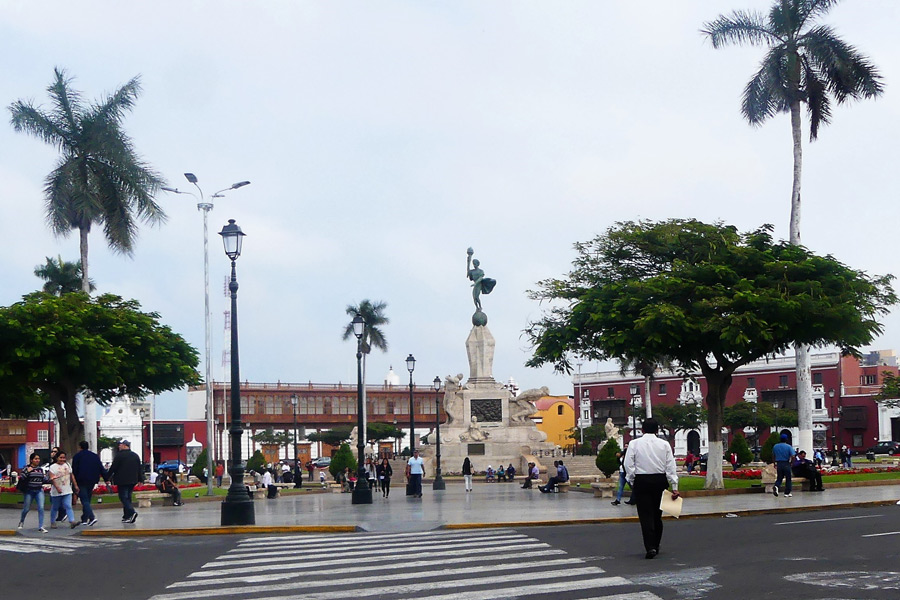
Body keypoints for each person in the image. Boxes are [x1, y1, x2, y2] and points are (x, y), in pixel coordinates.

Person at [624, 418, 679, 559]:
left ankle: (650, 547)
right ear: (657, 430)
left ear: (642, 430)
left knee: (645, 516)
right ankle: (656, 544)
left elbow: (628, 464)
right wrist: (674, 486)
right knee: (657, 516)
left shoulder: (634, 444)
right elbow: (670, 466)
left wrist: (631, 479)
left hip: (642, 481)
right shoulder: (664, 444)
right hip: (660, 481)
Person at [106, 439, 144, 523]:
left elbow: (113, 468)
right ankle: (126, 516)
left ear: (125, 445)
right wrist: (140, 479)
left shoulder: (119, 456)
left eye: (120, 444)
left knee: (123, 497)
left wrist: (107, 477)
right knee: (128, 497)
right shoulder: (135, 455)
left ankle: (132, 512)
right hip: (133, 480)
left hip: (122, 480)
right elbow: (139, 468)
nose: (119, 446)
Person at [72, 440, 108, 526]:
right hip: (92, 480)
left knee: (84, 500)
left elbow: (74, 470)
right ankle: (84, 518)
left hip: (81, 480)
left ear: (80, 447)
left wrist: (74, 482)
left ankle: (92, 517)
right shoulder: (94, 456)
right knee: (87, 499)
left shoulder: (77, 456)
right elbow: (101, 468)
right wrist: (106, 479)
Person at [48, 450, 80, 529]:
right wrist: (57, 488)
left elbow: (71, 476)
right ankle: (52, 522)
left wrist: (75, 486)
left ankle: (72, 521)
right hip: (56, 491)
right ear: (57, 458)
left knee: (68, 505)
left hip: (67, 490)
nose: (62, 459)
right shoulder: (52, 467)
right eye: (60, 458)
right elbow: (52, 479)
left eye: (64, 458)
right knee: (55, 507)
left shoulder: (67, 465)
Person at [18, 452, 49, 532]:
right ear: (31, 460)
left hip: (39, 490)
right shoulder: (26, 468)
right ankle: (22, 521)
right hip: (29, 491)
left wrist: (49, 478)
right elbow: (22, 478)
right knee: (26, 509)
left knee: (41, 507)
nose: (37, 460)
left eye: (38, 459)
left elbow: (44, 480)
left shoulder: (40, 469)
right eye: (35, 459)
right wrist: (28, 471)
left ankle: (41, 526)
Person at [772, 433, 796, 498]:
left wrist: (774, 463)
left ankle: (776, 486)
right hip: (786, 463)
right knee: (788, 478)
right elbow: (793, 456)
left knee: (779, 477)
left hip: (779, 463)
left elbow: (773, 456)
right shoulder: (788, 446)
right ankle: (787, 492)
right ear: (786, 439)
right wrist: (792, 463)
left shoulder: (775, 446)